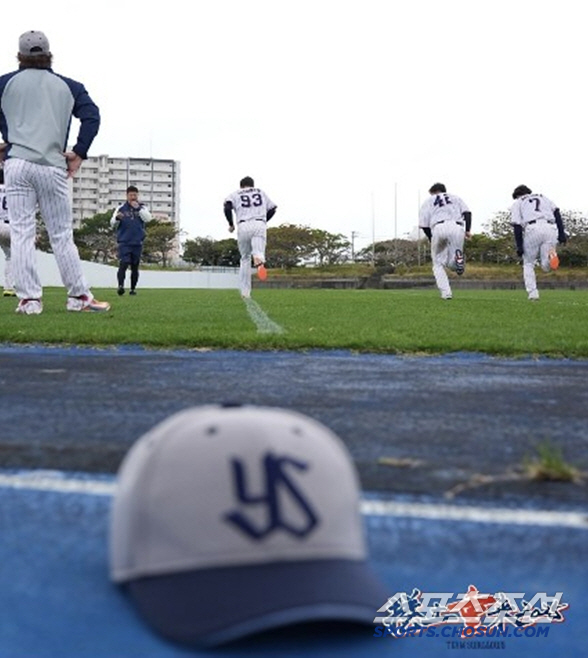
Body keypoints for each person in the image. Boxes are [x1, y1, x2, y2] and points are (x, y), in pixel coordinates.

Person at [0, 30, 110, 315]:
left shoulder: (4, 84)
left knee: (22, 233)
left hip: (17, 164)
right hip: (53, 164)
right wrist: (80, 152)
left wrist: (6, 143)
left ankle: (30, 300)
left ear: (20, 56)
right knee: (61, 234)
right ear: (48, 54)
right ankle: (78, 297)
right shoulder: (70, 86)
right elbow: (92, 116)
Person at [510, 185, 567, 301]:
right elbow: (557, 213)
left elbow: (517, 225)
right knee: (546, 266)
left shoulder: (518, 202)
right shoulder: (543, 197)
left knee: (528, 263)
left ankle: (533, 294)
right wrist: (562, 234)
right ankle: (551, 257)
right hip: (550, 228)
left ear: (517, 195)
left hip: (533, 228)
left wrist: (519, 246)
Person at [224, 176, 277, 298]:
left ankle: (245, 292)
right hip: (259, 223)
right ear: (252, 185)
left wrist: (231, 224)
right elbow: (273, 208)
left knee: (245, 258)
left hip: (243, 225)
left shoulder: (235, 194)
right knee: (258, 251)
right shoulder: (260, 192)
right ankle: (259, 258)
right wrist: (264, 220)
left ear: (241, 186)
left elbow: (227, 207)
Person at [419, 182, 472, 300]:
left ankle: (446, 293)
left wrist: (431, 238)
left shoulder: (429, 201)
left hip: (438, 227)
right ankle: (457, 259)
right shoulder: (455, 197)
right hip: (457, 227)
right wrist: (468, 230)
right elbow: (467, 213)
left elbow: (423, 225)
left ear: (433, 192)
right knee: (453, 262)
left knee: (437, 264)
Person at [110, 185, 151, 296]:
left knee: (135, 266)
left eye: (135, 195)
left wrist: (138, 208)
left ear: (137, 195)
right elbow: (112, 223)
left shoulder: (142, 208)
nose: (133, 197)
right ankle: (120, 286)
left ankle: (132, 289)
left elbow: (148, 218)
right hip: (124, 241)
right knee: (123, 263)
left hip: (137, 242)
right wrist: (117, 218)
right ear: (127, 195)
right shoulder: (121, 208)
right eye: (131, 195)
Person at [0, 168, 16, 296]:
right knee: (21, 255)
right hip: (10, 226)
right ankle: (10, 287)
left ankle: (9, 288)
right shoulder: (13, 188)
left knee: (10, 256)